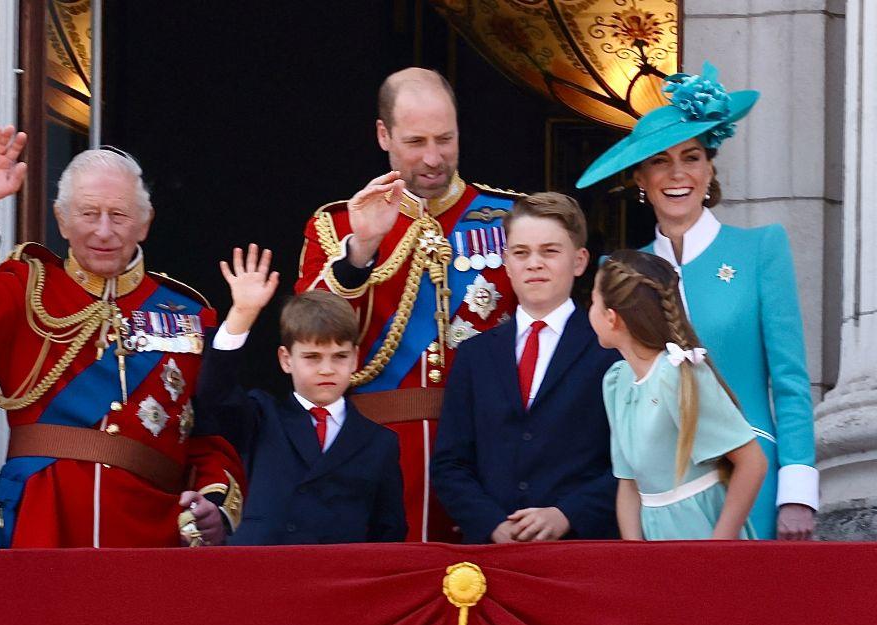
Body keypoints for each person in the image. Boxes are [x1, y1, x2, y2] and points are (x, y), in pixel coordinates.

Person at [0, 126, 244, 548]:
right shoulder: (28, 290)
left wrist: (214, 501)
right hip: (43, 522)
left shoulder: (188, 313)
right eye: (87, 213)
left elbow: (212, 434)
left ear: (144, 224)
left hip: (150, 534)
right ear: (61, 220)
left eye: (118, 215)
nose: (102, 231)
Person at [577, 62, 817, 540]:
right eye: (660, 161)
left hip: (752, 483)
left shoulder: (760, 249)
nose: (678, 173)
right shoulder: (622, 273)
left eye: (691, 157)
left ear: (710, 168)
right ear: (640, 179)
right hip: (665, 501)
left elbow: (790, 382)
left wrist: (797, 490)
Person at [296, 67, 522, 542]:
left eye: (446, 139)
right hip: (375, 455)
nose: (434, 158)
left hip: (485, 453)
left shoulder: (511, 221)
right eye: (416, 142)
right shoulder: (336, 227)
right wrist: (360, 250)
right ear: (383, 135)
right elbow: (309, 338)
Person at [432, 192, 619, 543]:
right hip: (493, 553)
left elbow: (631, 462)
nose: (534, 263)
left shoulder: (609, 349)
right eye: (521, 252)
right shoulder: (474, 355)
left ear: (579, 261)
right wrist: (491, 523)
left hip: (582, 548)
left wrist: (568, 514)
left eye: (550, 251)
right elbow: (450, 463)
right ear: (506, 262)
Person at [196, 244, 406, 544]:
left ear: (355, 358)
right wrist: (243, 313)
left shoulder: (379, 442)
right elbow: (214, 396)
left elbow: (389, 534)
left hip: (340, 583)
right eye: (312, 357)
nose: (326, 369)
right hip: (265, 576)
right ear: (285, 359)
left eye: (339, 356)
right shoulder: (261, 416)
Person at [591, 250, 768, 540]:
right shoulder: (616, 382)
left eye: (593, 301)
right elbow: (628, 483)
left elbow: (753, 463)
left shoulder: (678, 373)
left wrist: (715, 550)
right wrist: (635, 556)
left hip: (701, 531)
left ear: (611, 318)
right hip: (654, 540)